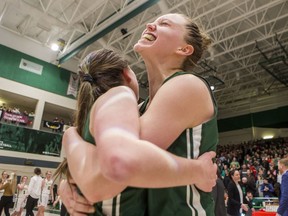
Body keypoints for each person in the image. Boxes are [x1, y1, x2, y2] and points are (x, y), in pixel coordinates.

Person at [59, 13, 219, 216]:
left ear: (184, 49)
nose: (150, 24)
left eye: (164, 23)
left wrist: (71, 139)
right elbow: (102, 159)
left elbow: (108, 173)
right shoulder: (141, 107)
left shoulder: (186, 84)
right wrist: (68, 184)